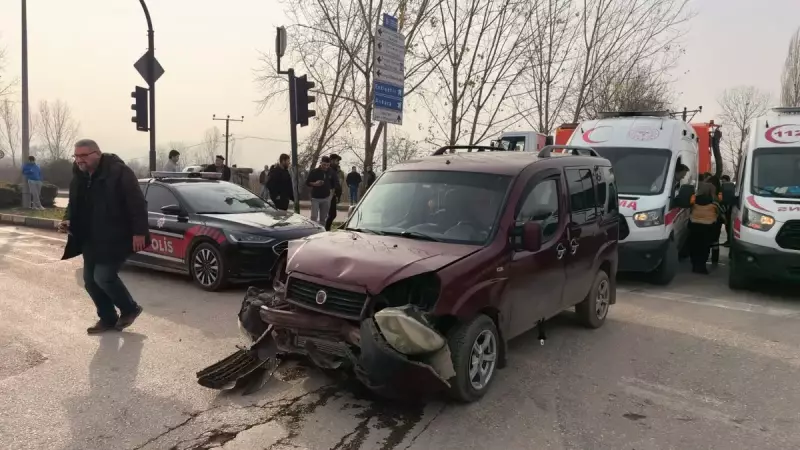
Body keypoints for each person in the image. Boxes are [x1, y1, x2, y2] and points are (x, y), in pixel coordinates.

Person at [58, 139, 149, 334]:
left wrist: (139, 232)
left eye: (83, 155)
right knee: (90, 281)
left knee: (103, 276)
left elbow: (137, 203)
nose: (79, 160)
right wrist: (67, 219)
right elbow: (73, 204)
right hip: (90, 237)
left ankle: (130, 308)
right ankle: (107, 318)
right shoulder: (79, 176)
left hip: (117, 235)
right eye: (76, 156)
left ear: (97, 154)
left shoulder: (119, 172)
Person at [687, 182, 720, 274]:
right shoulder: (714, 202)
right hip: (708, 226)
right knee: (704, 247)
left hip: (694, 225)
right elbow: (720, 211)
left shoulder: (694, 200)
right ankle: (701, 267)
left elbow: (689, 209)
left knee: (694, 246)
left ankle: (694, 265)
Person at [306, 157, 332, 225]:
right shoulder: (314, 171)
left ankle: (322, 232)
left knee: (323, 218)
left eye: (327, 165)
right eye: (324, 165)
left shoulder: (331, 172)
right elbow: (307, 182)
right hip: (315, 198)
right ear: (321, 163)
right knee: (314, 217)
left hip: (326, 198)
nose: (326, 167)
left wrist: (331, 196)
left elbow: (334, 184)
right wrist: (315, 184)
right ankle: (313, 231)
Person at [325, 154, 344, 231]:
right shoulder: (328, 171)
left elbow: (338, 184)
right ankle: (326, 229)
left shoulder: (335, 171)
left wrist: (338, 195)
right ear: (332, 161)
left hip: (334, 196)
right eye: (337, 161)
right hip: (329, 195)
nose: (338, 163)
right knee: (331, 214)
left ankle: (327, 229)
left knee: (332, 214)